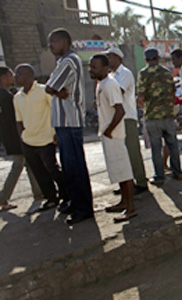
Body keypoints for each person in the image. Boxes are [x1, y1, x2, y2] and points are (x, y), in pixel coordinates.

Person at [45, 28, 93, 225]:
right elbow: (54, 88)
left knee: (75, 167)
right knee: (69, 166)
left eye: (53, 42)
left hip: (69, 121)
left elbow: (50, 87)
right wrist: (56, 91)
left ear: (64, 41)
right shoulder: (62, 61)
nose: (51, 46)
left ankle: (84, 208)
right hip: (62, 122)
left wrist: (55, 90)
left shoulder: (69, 61)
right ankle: (75, 202)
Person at [13, 64, 68, 213]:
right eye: (16, 74)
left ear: (30, 75)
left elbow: (55, 110)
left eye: (20, 74)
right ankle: (51, 198)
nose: (16, 77)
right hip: (28, 141)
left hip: (46, 139)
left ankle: (66, 196)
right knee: (39, 172)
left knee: (53, 169)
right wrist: (22, 137)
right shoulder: (17, 97)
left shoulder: (44, 90)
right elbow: (19, 120)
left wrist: (56, 133)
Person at [89, 54, 136, 222]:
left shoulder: (110, 84)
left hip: (114, 135)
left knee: (124, 171)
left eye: (94, 67)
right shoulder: (101, 84)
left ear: (105, 68)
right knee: (118, 171)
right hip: (108, 134)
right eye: (90, 66)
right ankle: (124, 202)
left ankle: (130, 208)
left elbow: (120, 110)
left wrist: (109, 130)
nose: (91, 70)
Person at [137, 48, 182, 184]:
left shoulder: (143, 73)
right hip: (168, 116)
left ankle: (159, 176)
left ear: (146, 60)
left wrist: (147, 109)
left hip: (153, 118)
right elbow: (173, 93)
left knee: (156, 148)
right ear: (158, 59)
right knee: (172, 145)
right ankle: (177, 172)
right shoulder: (167, 72)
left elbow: (140, 98)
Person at [106, 48, 148, 194]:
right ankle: (126, 184)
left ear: (118, 58)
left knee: (132, 151)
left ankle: (141, 182)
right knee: (120, 154)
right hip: (115, 119)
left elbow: (118, 93)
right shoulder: (110, 76)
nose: (108, 59)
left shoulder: (125, 73)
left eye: (110, 56)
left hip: (127, 117)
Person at [0, 67, 42, 211]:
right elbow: (15, 120)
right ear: (4, 77)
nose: (14, 78)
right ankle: (2, 198)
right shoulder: (7, 98)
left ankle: (38, 193)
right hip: (16, 137)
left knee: (30, 163)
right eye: (12, 75)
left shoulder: (6, 95)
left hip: (10, 137)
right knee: (18, 165)